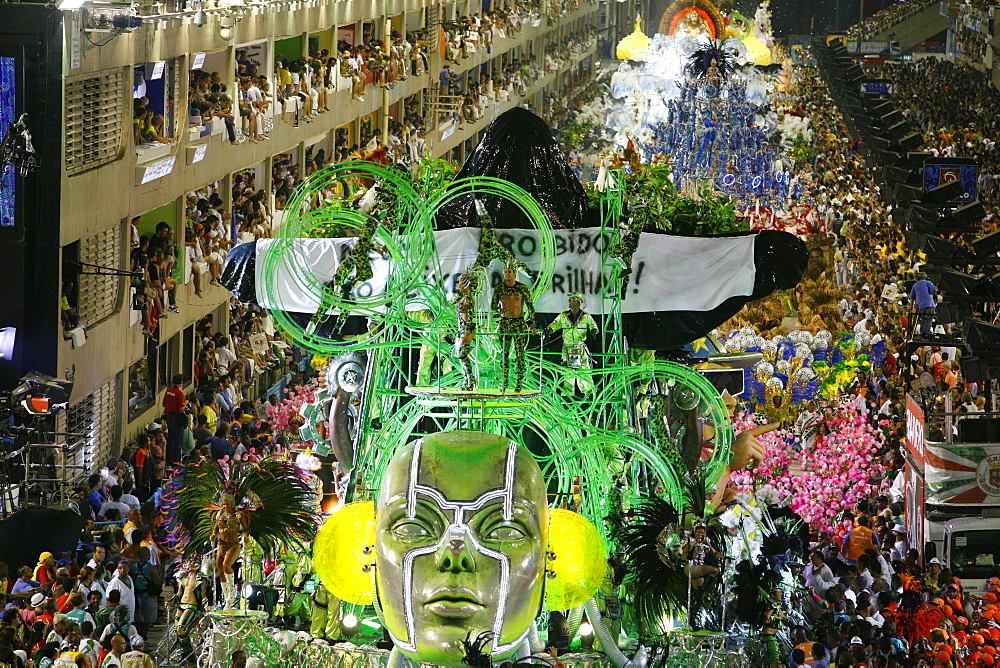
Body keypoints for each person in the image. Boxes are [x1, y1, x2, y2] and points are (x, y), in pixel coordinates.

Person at [491, 258, 536, 392]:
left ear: (514, 273)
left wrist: (532, 325)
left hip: (519, 324)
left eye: (509, 272)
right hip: (505, 324)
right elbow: (493, 305)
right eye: (505, 272)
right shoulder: (500, 288)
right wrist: (502, 311)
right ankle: (504, 383)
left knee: (520, 354)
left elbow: (531, 307)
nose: (507, 274)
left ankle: (519, 383)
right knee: (504, 354)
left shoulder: (522, 288)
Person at [545, 291, 598, 394]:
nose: (569, 301)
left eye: (572, 299)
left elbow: (593, 326)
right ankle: (567, 396)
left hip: (580, 348)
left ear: (578, 302)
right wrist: (549, 331)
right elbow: (554, 325)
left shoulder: (586, 317)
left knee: (584, 371)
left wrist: (593, 331)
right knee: (567, 373)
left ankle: (588, 393)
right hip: (567, 349)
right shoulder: (563, 316)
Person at [212, 493, 248, 608]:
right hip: (221, 545)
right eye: (224, 504)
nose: (226, 506)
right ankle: (226, 595)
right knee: (219, 567)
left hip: (234, 545)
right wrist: (213, 535)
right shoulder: (220, 515)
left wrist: (245, 537)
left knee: (226, 565)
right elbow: (216, 529)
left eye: (228, 504)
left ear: (232, 504)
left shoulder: (238, 515)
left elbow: (245, 529)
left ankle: (232, 595)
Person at [162, 374, 187, 465]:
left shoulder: (168, 391)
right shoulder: (179, 394)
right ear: (181, 383)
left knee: (170, 439)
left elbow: (164, 404)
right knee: (177, 441)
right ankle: (176, 462)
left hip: (169, 417)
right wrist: (186, 403)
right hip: (177, 419)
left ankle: (169, 460)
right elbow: (181, 408)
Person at [908, 272, 937, 338]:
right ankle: (926, 334)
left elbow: (912, 298)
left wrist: (911, 307)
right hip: (930, 304)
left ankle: (922, 334)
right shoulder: (927, 282)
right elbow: (935, 289)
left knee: (923, 320)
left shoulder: (915, 285)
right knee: (928, 319)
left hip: (921, 305)